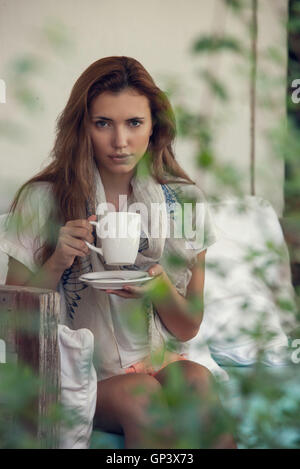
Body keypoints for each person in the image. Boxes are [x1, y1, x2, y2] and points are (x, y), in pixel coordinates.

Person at [3, 56, 236, 449]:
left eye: (134, 123)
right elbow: (12, 322)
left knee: (198, 381)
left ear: (154, 127)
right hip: (77, 368)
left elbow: (189, 327)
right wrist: (58, 260)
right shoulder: (41, 199)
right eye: (103, 123)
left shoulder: (185, 202)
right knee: (140, 394)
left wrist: (159, 286)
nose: (120, 141)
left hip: (156, 359)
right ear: (83, 127)